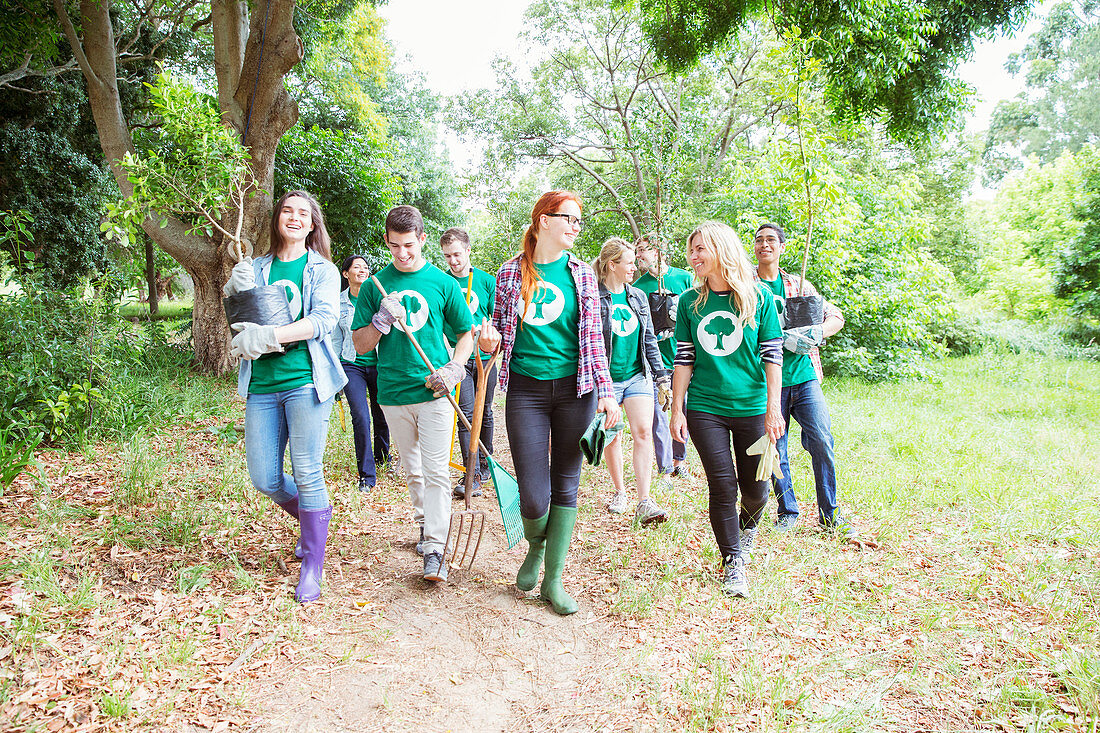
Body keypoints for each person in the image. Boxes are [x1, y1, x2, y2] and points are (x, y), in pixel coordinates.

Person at [478, 190, 620, 616]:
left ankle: (553, 579)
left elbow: (594, 339)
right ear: (543, 221)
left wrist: (608, 393)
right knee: (534, 498)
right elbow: (495, 337)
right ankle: (537, 547)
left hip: (576, 392)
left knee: (566, 485)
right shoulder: (508, 275)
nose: (576, 227)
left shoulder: (581, 275)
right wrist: (488, 344)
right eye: (568, 218)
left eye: (579, 220)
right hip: (526, 392)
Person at [223, 189, 346, 604]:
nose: (294, 218)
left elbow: (325, 320)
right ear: (277, 219)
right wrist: (233, 292)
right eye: (287, 211)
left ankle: (313, 560)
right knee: (265, 477)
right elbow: (242, 319)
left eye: (303, 213)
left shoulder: (323, 270)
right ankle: (316, 518)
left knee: (308, 470)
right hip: (261, 384)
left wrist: (274, 335)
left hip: (307, 381)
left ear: (312, 224)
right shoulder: (255, 267)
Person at [351, 205, 474, 584]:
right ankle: (425, 523)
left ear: (422, 239)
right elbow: (359, 344)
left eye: (408, 245)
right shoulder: (376, 287)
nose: (402, 254)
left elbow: (465, 334)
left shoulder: (442, 283)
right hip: (393, 392)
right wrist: (379, 321)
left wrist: (455, 367)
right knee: (414, 470)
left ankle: (435, 547)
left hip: (435, 390)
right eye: (393, 246)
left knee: (437, 470)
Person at [670, 221, 784, 598]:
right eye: (692, 250)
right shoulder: (689, 302)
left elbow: (772, 356)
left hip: (752, 405)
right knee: (722, 485)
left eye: (700, 249)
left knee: (757, 490)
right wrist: (677, 409)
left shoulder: (760, 298)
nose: (694, 256)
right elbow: (683, 358)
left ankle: (747, 528)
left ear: (721, 250)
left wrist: (773, 409)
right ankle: (732, 560)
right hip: (706, 407)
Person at [753, 222, 847, 533]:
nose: (764, 245)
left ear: (781, 247)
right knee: (775, 446)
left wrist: (818, 331)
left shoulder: (800, 284)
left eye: (771, 240)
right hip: (765, 381)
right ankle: (787, 512)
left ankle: (830, 514)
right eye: (759, 240)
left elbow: (835, 316)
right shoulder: (747, 286)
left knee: (821, 439)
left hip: (804, 376)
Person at [594, 237, 670, 526]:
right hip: (608, 381)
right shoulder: (594, 297)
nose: (634, 268)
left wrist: (661, 378)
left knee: (642, 433)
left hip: (638, 375)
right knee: (613, 437)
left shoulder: (637, 296)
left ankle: (645, 500)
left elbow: (649, 339)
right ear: (612, 265)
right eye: (629, 263)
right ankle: (620, 492)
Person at [438, 228, 497, 499]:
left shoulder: (485, 281)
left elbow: (497, 317)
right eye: (448, 256)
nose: (453, 261)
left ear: (468, 251)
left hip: (485, 358)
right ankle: (470, 471)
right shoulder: (442, 283)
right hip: (458, 358)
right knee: (465, 415)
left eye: (457, 254)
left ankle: (486, 465)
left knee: (484, 412)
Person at [633, 233, 694, 477]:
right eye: (637, 253)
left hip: (681, 358)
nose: (638, 257)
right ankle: (665, 467)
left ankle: (679, 462)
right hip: (654, 362)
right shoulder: (637, 288)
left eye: (642, 252)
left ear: (657, 252)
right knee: (658, 414)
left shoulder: (683, 278)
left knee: (681, 408)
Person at [332, 254, 391, 493]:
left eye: (366, 267)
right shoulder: (337, 303)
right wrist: (334, 373)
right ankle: (367, 474)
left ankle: (382, 457)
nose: (363, 270)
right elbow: (336, 339)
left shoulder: (379, 298)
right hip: (351, 363)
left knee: (382, 412)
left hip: (379, 363)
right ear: (346, 274)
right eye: (357, 267)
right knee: (360, 416)